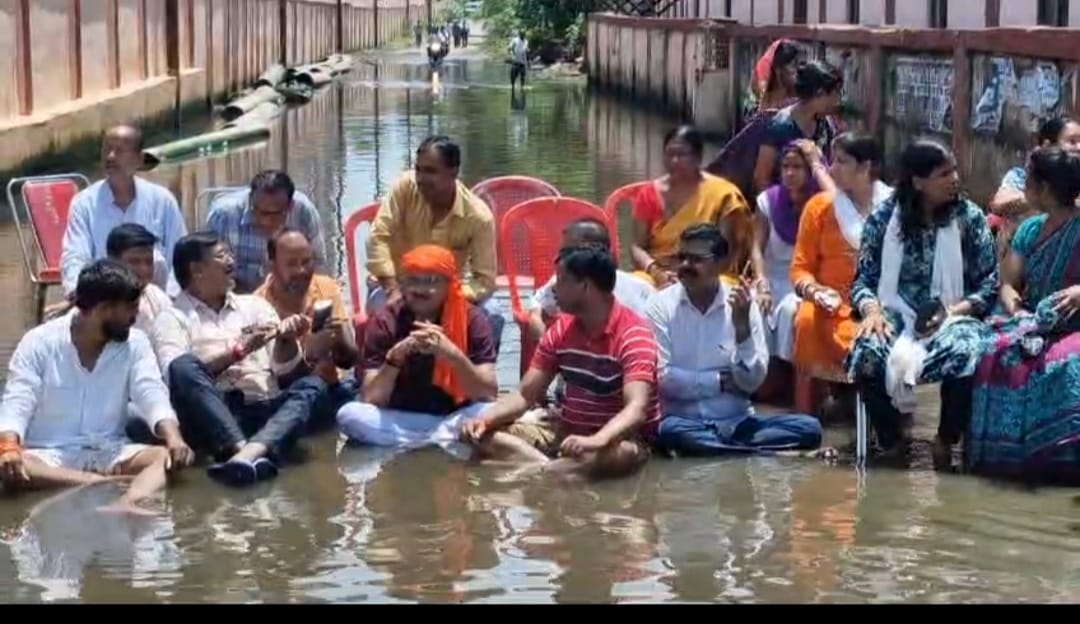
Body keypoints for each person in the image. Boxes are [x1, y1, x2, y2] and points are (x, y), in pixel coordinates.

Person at [846, 139, 998, 464]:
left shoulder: (969, 218)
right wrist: (871, 310)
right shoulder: (884, 218)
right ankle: (891, 442)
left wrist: (952, 312)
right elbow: (863, 279)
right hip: (894, 313)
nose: (955, 178)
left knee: (967, 351)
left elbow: (988, 284)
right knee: (867, 353)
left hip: (954, 313)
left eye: (955, 170)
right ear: (918, 181)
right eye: (945, 173)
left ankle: (945, 439)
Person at [0, 260, 193, 514]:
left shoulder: (135, 343)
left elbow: (151, 394)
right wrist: (9, 448)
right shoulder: (39, 342)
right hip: (49, 455)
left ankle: (128, 502)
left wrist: (174, 438)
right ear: (102, 310)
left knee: (161, 458)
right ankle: (99, 484)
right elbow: (17, 401)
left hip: (109, 451)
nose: (135, 318)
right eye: (131, 309)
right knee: (13, 464)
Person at [460, 245, 659, 481]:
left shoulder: (633, 335)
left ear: (585, 286)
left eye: (562, 280)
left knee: (619, 454)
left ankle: (539, 469)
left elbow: (636, 410)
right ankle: (545, 469)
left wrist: (597, 440)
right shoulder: (562, 329)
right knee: (477, 436)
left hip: (619, 440)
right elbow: (525, 395)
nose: (554, 288)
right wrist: (485, 420)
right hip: (567, 430)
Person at [153, 232, 328, 487]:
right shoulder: (172, 317)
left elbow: (284, 371)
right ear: (197, 270)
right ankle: (244, 450)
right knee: (183, 366)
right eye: (222, 256)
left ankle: (248, 454)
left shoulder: (254, 306)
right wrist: (238, 351)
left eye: (230, 254)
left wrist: (286, 339)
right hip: (213, 415)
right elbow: (177, 378)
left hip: (263, 406)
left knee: (313, 386)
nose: (231, 261)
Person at [647, 225, 822, 456]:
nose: (686, 266)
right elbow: (663, 378)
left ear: (722, 265)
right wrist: (720, 382)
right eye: (682, 258)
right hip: (684, 422)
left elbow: (752, 382)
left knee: (809, 428)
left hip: (738, 424)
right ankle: (765, 454)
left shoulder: (742, 305)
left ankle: (724, 450)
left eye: (697, 259)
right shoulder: (660, 306)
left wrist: (742, 332)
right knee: (668, 431)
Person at [968, 146, 1080, 482]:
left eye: (1028, 182)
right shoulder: (1030, 229)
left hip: (1074, 325)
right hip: (1033, 321)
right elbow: (1008, 283)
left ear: (1044, 189)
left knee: (1064, 363)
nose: (1024, 188)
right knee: (993, 351)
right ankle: (1005, 459)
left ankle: (1061, 457)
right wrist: (1015, 306)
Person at [337, 245, 498, 456]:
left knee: (491, 412)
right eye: (413, 280)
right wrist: (395, 358)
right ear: (402, 284)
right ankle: (444, 440)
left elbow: (488, 393)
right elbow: (372, 398)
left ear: (450, 284)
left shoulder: (473, 320)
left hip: (456, 415)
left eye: (431, 281)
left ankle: (422, 442)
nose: (420, 289)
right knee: (349, 415)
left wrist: (452, 354)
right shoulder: (386, 321)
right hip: (402, 418)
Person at [366, 136, 504, 347]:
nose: (421, 178)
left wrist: (446, 297)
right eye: (418, 169)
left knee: (492, 312)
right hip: (397, 288)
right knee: (379, 306)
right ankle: (380, 375)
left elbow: (484, 281)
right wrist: (393, 289)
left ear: (454, 172)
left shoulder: (478, 217)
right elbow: (378, 237)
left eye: (430, 171)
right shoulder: (405, 188)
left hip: (448, 294)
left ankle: (476, 374)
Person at [791, 133, 892, 415]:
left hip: (880, 307)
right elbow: (800, 267)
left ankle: (893, 427)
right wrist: (815, 291)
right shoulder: (819, 207)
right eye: (831, 161)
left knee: (888, 332)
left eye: (841, 162)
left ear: (866, 167)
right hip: (831, 307)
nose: (831, 169)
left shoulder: (894, 211)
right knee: (806, 319)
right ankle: (804, 421)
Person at [60, 124, 187, 297]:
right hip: (104, 299)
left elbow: (179, 257)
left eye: (119, 151)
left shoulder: (163, 200)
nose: (110, 157)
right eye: (107, 150)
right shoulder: (84, 203)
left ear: (139, 159)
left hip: (157, 298)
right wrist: (79, 294)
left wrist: (171, 299)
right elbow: (75, 257)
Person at [632, 125, 760, 290]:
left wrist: (694, 273)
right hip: (659, 273)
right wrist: (655, 271)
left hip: (707, 273)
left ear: (698, 158)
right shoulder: (649, 194)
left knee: (726, 287)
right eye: (670, 154)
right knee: (634, 283)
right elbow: (637, 247)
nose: (675, 161)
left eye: (682, 155)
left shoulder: (723, 194)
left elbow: (727, 253)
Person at [254, 228, 359, 428]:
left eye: (306, 261)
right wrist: (310, 355)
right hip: (288, 398)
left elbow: (349, 361)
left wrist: (340, 336)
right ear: (273, 267)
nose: (302, 271)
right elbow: (276, 381)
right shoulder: (257, 305)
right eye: (292, 264)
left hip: (332, 389)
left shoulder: (326, 287)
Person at [755, 140, 826, 370]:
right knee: (754, 306)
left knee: (789, 310)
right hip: (771, 279)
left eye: (797, 167)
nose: (789, 173)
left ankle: (786, 372)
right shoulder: (768, 201)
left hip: (806, 283)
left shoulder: (822, 206)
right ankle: (759, 371)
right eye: (785, 166)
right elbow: (756, 247)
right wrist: (761, 282)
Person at [525, 217, 653, 340]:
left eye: (567, 253)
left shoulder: (641, 292)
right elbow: (536, 302)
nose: (559, 259)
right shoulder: (563, 282)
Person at [205, 170, 325, 294]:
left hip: (291, 295)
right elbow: (212, 274)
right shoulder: (223, 216)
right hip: (238, 298)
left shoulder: (304, 212)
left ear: (290, 207)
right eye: (261, 212)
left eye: (276, 214)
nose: (266, 221)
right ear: (251, 202)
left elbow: (318, 262)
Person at [988, 116, 1080, 255]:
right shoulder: (1021, 176)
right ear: (1048, 146)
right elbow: (999, 203)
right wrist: (1050, 195)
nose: (1079, 147)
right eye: (1072, 141)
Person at [752, 60, 843, 195]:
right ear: (820, 93)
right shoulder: (780, 127)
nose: (837, 101)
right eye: (835, 94)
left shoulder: (826, 125)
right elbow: (761, 178)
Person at [744, 39, 801, 117]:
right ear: (778, 70)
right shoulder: (769, 106)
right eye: (793, 65)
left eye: (800, 64)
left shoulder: (798, 98)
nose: (798, 70)